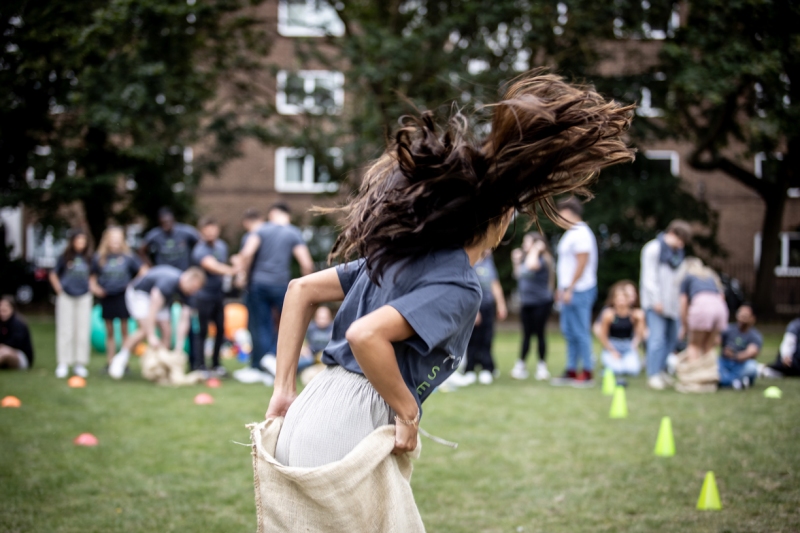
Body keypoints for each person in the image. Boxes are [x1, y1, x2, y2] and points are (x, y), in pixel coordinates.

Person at [261, 72, 634, 490]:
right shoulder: (459, 283)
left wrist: (283, 387)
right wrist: (407, 411)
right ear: (497, 219)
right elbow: (365, 335)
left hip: (309, 410)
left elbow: (302, 290)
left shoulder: (400, 256)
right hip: (348, 427)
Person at [234, 203, 314, 385]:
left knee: (261, 326)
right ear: (288, 215)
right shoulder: (293, 232)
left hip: (258, 285)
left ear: (272, 214)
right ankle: (272, 359)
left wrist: (242, 276)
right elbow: (306, 263)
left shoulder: (261, 230)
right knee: (288, 323)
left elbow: (246, 254)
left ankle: (263, 365)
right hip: (280, 285)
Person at [108, 265, 206, 379]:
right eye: (193, 287)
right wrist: (151, 335)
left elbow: (184, 320)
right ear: (189, 279)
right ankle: (120, 359)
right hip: (140, 294)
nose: (193, 291)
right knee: (144, 330)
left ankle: (160, 366)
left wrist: (179, 347)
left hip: (161, 299)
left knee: (167, 331)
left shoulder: (189, 293)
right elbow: (153, 309)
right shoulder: (169, 282)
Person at [640, 220, 692, 389]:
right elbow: (649, 278)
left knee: (671, 339)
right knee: (657, 339)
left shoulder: (678, 254)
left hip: (673, 305)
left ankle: (661, 370)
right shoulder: (653, 249)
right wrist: (656, 300)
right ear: (672, 233)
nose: (681, 244)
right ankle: (653, 374)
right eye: (680, 239)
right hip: (656, 304)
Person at [551, 197, 598, 386]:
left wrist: (570, 288)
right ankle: (571, 370)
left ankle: (587, 372)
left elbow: (582, 262)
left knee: (580, 332)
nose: (558, 218)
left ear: (569, 212)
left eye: (560, 214)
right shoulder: (570, 233)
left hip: (580, 290)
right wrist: (560, 288)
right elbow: (566, 265)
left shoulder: (581, 233)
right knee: (569, 332)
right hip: (568, 290)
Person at [90, 226, 145, 371]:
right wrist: (96, 289)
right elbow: (92, 278)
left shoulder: (128, 256)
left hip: (123, 296)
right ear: (107, 240)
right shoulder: (99, 257)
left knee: (124, 330)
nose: (115, 242)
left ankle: (123, 363)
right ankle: (110, 362)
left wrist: (132, 285)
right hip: (107, 297)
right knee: (109, 332)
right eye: (112, 239)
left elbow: (143, 270)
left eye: (118, 239)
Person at [191, 217, 237, 375]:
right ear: (202, 231)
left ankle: (216, 364)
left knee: (220, 330)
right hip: (203, 296)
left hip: (218, 295)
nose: (210, 232)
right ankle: (199, 365)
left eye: (213, 228)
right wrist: (233, 270)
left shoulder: (222, 246)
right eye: (207, 229)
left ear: (217, 230)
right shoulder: (200, 250)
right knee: (202, 331)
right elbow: (213, 266)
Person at [49, 229, 93, 379]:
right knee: (65, 329)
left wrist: (91, 288)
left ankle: (79, 363)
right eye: (78, 240)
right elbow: (53, 274)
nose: (81, 243)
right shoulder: (64, 257)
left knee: (82, 330)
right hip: (66, 296)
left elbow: (94, 275)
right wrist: (59, 290)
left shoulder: (89, 258)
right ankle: (63, 362)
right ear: (73, 241)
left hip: (84, 296)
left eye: (83, 241)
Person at [511, 232, 554, 381]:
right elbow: (519, 275)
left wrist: (536, 249)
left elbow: (531, 265)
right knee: (526, 335)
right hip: (526, 302)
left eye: (527, 242)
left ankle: (542, 367)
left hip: (541, 303)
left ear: (536, 244)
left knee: (540, 334)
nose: (523, 245)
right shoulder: (526, 258)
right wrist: (516, 262)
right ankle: (521, 365)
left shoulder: (542, 259)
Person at [463, 253, 508, 385]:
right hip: (473, 307)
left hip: (487, 306)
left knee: (487, 338)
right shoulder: (470, 260)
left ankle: (487, 368)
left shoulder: (489, 261)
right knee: (472, 339)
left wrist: (501, 304)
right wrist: (474, 311)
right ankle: (469, 369)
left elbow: (494, 283)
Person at [679, 257, 728, 360]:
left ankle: (695, 374)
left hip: (701, 305)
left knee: (694, 345)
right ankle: (709, 373)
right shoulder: (710, 275)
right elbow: (722, 296)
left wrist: (684, 325)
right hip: (720, 306)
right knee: (708, 346)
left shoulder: (687, 276)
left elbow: (683, 302)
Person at [597, 282, 645, 378]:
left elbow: (639, 333)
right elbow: (603, 335)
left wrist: (634, 344)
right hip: (612, 346)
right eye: (618, 298)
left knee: (633, 370)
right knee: (618, 369)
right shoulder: (608, 315)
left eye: (623, 298)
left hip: (627, 346)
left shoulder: (635, 315)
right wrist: (612, 351)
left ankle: (626, 362)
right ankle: (609, 365)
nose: (621, 301)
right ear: (614, 300)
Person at [718, 304, 762, 389]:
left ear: (752, 318)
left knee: (752, 367)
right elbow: (716, 341)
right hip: (725, 363)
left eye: (745, 316)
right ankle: (736, 382)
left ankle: (724, 381)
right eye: (740, 314)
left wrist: (734, 355)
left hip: (741, 364)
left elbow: (751, 353)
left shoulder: (755, 335)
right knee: (713, 362)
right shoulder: (728, 329)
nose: (742, 318)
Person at [0, 296, 34, 370]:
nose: (3, 309)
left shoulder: (18, 323)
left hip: (21, 357)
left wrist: (3, 346)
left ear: (12, 308)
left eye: (6, 307)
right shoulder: (1, 323)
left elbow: (16, 343)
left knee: (5, 352)